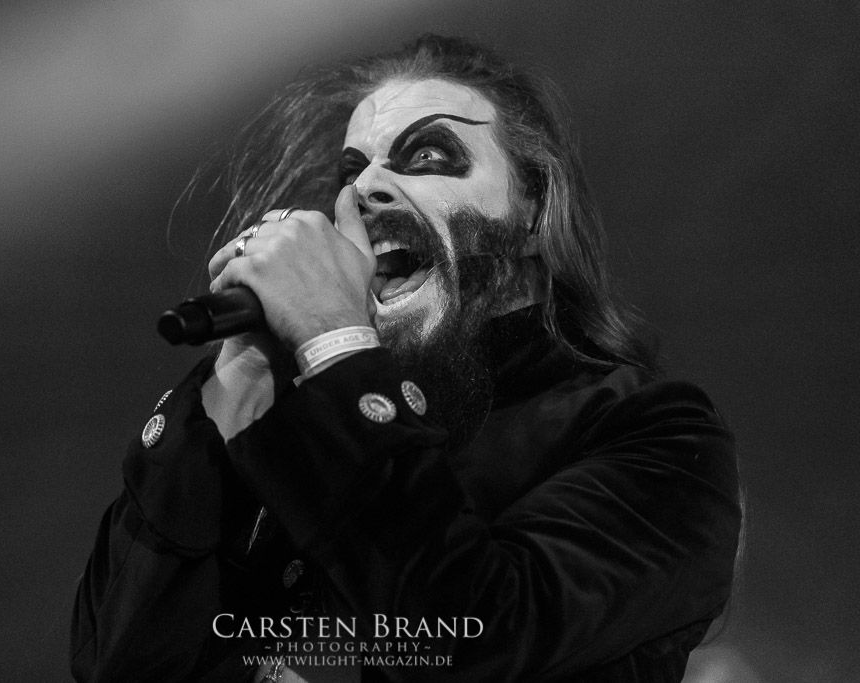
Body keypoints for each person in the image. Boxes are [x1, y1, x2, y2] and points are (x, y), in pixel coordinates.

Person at [70, 35, 742, 682]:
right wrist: (239, 376)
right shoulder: (305, 433)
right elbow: (122, 662)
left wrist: (334, 340)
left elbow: (473, 636)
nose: (364, 190)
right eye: (351, 171)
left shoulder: (653, 435)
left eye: (425, 156)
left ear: (535, 212)